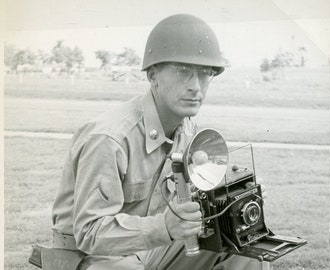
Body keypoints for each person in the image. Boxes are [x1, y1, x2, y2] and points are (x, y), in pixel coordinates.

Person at [51, 14, 269, 270]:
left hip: (150, 248)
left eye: (205, 74)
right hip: (89, 256)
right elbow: (89, 233)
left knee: (246, 254)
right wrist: (164, 226)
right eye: (183, 72)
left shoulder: (187, 132)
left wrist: (233, 194)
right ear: (153, 75)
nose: (196, 87)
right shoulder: (109, 139)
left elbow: (186, 206)